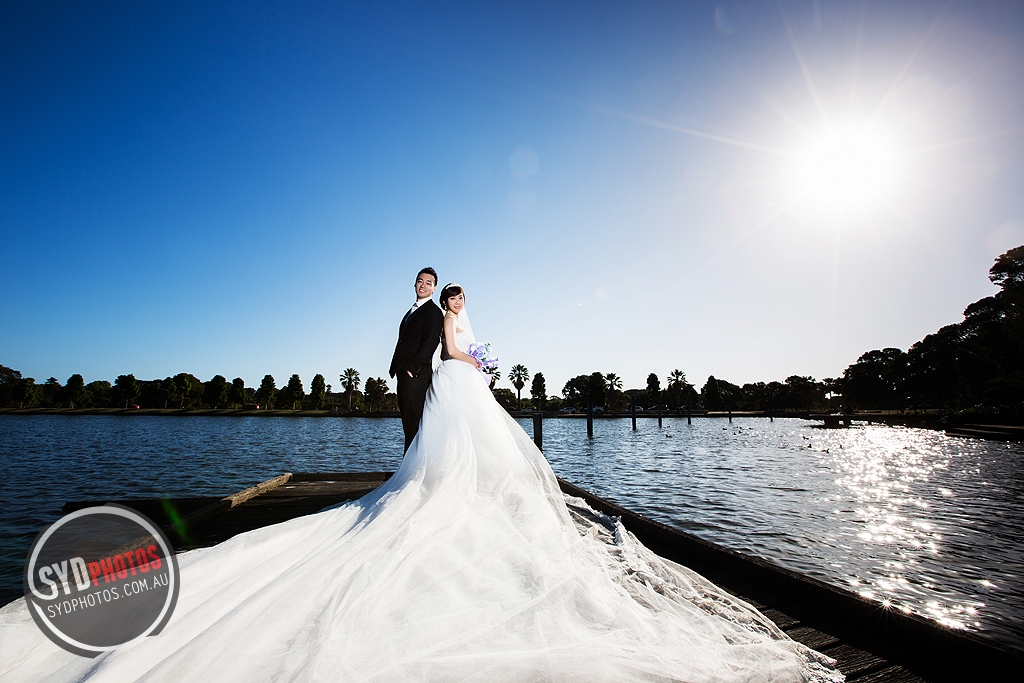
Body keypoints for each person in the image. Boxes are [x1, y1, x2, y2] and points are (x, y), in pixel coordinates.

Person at [0, 283, 842, 683]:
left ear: (456, 299)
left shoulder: (453, 320)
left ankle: (443, 480)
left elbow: (461, 349)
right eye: (447, 297)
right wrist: (464, 359)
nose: (451, 305)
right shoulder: (434, 323)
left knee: (467, 436)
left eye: (454, 298)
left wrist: (478, 357)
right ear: (438, 297)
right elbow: (446, 351)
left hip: (460, 381)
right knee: (447, 441)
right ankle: (434, 482)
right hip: (451, 382)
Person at [389, 267, 444, 451]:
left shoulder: (433, 311)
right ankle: (410, 463)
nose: (423, 285)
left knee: (414, 426)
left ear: (434, 288)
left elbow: (431, 341)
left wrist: (413, 368)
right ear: (414, 284)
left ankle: (414, 466)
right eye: (420, 281)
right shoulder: (412, 311)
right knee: (409, 425)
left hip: (415, 375)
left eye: (428, 283)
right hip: (405, 373)